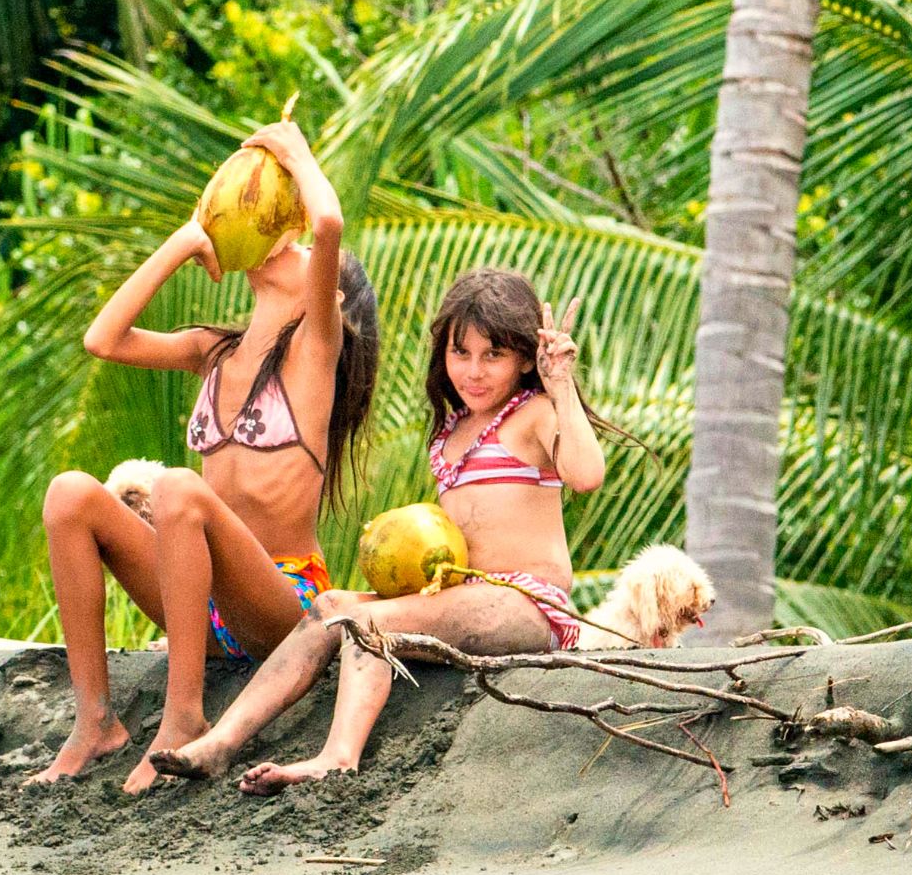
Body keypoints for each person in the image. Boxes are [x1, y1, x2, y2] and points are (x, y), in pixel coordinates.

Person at [147, 266, 604, 790]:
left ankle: (338, 757)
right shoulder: (452, 431)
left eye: (492, 356)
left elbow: (586, 475)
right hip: (468, 596)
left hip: (528, 603)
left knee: (370, 625)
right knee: (329, 608)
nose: (473, 372)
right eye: (461, 354)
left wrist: (560, 385)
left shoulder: (535, 413)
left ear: (524, 358)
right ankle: (219, 742)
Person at [30, 121, 381, 792]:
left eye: (306, 250)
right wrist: (186, 240)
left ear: (329, 295)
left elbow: (330, 220)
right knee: (69, 494)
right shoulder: (212, 351)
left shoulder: (315, 349)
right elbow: (103, 339)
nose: (296, 244)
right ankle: (95, 720)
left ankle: (183, 714)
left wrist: (293, 153)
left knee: (180, 493)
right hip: (201, 605)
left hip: (283, 602)